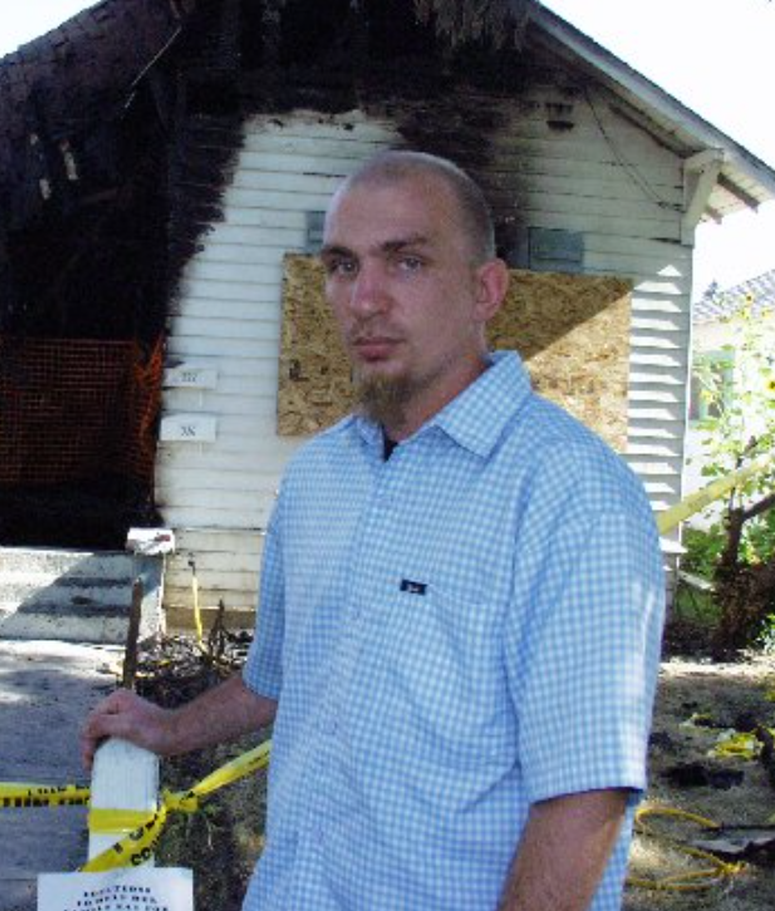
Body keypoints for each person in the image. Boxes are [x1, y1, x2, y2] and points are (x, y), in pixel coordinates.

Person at [82, 150, 665, 910]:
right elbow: (282, 675)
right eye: (342, 265)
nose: (365, 298)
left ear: (485, 290)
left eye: (408, 262)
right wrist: (171, 727)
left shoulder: (572, 496)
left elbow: (584, 798)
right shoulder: (321, 475)